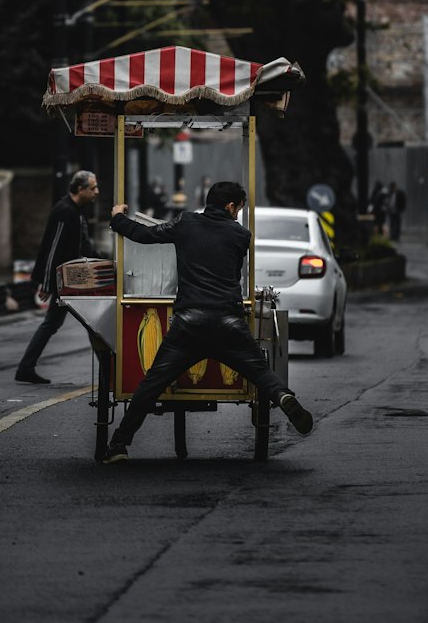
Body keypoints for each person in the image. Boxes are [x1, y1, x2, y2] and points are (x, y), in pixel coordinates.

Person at [102, 180, 313, 464]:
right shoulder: (241, 235)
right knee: (261, 373)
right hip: (228, 321)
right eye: (238, 208)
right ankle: (283, 396)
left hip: (189, 322)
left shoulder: (185, 223)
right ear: (230, 206)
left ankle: (118, 446)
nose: (238, 214)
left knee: (151, 385)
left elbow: (143, 234)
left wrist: (117, 217)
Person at [14, 169, 99, 384]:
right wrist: (47, 283)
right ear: (81, 190)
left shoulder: (76, 210)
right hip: (66, 282)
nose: (97, 192)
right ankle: (109, 371)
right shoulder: (65, 211)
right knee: (91, 323)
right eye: (93, 188)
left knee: (68, 323)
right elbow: (53, 248)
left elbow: (84, 246)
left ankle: (26, 367)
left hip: (74, 279)